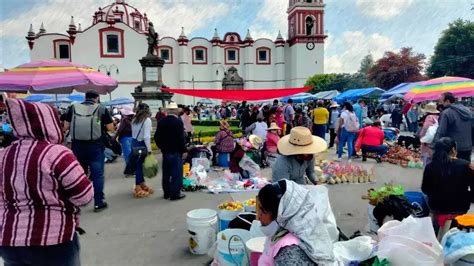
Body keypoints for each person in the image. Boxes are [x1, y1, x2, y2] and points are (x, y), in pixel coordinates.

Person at [0, 99, 93, 266]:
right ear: (48, 122)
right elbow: (83, 197)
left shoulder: (2, 156)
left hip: (9, 240)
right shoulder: (57, 153)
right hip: (53, 240)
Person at [256, 180, 334, 265]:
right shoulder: (281, 230)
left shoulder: (289, 253)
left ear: (281, 213)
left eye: (263, 211)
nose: (258, 216)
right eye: (258, 209)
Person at [63, 90, 113, 212]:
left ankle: (77, 202)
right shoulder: (101, 108)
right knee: (97, 175)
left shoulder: (73, 107)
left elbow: (65, 127)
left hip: (77, 145)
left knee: (79, 174)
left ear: (85, 97)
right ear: (97, 98)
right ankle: (98, 202)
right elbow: (110, 128)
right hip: (95, 146)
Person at [422, 137, 474, 233]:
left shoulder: (430, 166)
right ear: (453, 149)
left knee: (426, 197)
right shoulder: (466, 165)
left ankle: (433, 228)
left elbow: (425, 189)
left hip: (436, 207)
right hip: (459, 208)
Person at [155, 102, 187, 201]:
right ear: (176, 111)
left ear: (168, 111)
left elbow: (156, 137)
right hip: (176, 150)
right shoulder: (178, 122)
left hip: (166, 151)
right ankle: (175, 193)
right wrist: (184, 150)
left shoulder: (161, 121)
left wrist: (161, 146)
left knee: (166, 173)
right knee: (176, 173)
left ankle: (167, 192)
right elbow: (181, 138)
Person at [433, 92, 472, 162]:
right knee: (465, 170)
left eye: (441, 101)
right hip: (468, 147)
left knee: (452, 171)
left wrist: (434, 146)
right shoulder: (468, 111)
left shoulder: (447, 113)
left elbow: (441, 132)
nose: (440, 104)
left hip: (453, 149)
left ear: (447, 101)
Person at [129, 103, 154, 198]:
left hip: (134, 143)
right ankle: (138, 186)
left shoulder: (134, 119)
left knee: (138, 165)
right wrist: (149, 150)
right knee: (140, 166)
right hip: (142, 144)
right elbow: (146, 137)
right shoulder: (147, 120)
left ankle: (142, 183)